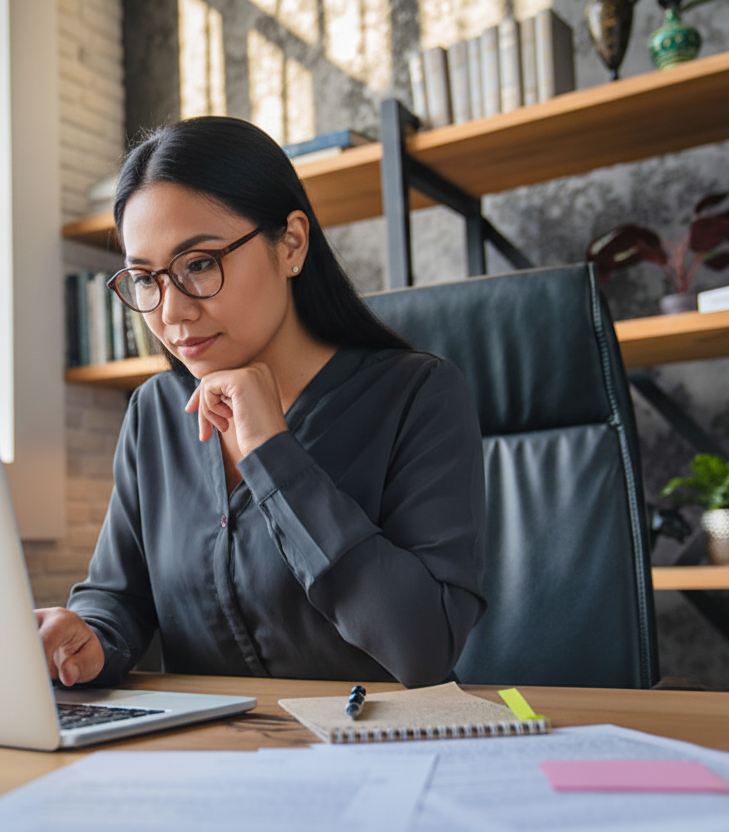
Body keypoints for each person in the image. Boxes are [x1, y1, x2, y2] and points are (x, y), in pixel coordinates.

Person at [36, 116, 486, 689]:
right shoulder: (155, 410)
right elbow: (119, 597)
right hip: (210, 760)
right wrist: (90, 637)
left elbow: (423, 646)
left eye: (199, 263)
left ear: (291, 243)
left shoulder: (418, 396)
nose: (170, 313)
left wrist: (273, 452)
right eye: (146, 279)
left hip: (376, 753)